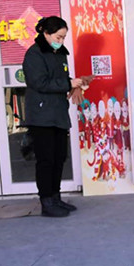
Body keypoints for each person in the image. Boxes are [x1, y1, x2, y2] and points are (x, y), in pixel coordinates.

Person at [23, 16, 89, 217]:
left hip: (58, 113)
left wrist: (74, 84)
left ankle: (56, 197)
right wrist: (68, 84)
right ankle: (46, 202)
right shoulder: (34, 54)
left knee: (59, 157)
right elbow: (39, 82)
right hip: (41, 115)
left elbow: (59, 79)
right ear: (46, 33)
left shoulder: (59, 53)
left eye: (63, 37)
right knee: (46, 160)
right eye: (58, 37)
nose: (61, 41)